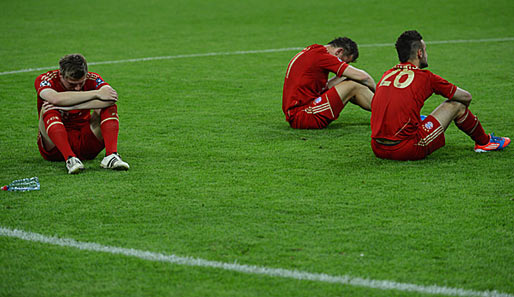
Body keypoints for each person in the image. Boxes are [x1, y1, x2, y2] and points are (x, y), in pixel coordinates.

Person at [370, 30, 510, 161]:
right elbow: (466, 97)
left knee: (416, 116)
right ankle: (485, 142)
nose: (426, 54)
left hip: (377, 148)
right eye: (425, 50)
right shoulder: (426, 77)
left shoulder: (387, 74)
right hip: (405, 149)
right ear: (419, 53)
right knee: (457, 105)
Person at [35, 53, 130, 174]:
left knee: (109, 106)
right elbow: (54, 98)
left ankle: (111, 156)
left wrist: (72, 106)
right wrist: (96, 94)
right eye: (72, 84)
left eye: (81, 83)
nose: (78, 88)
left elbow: (111, 98)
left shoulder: (93, 78)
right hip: (55, 147)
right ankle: (70, 159)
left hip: (85, 141)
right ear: (61, 75)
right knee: (48, 108)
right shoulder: (46, 79)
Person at [282, 37, 376, 129]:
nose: (343, 64)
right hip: (303, 116)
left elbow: (328, 85)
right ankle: (386, 111)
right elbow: (364, 77)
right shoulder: (324, 57)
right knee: (354, 85)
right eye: (343, 61)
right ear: (339, 51)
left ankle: (386, 112)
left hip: (298, 112)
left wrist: (349, 77)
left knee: (351, 80)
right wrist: (379, 93)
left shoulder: (314, 50)